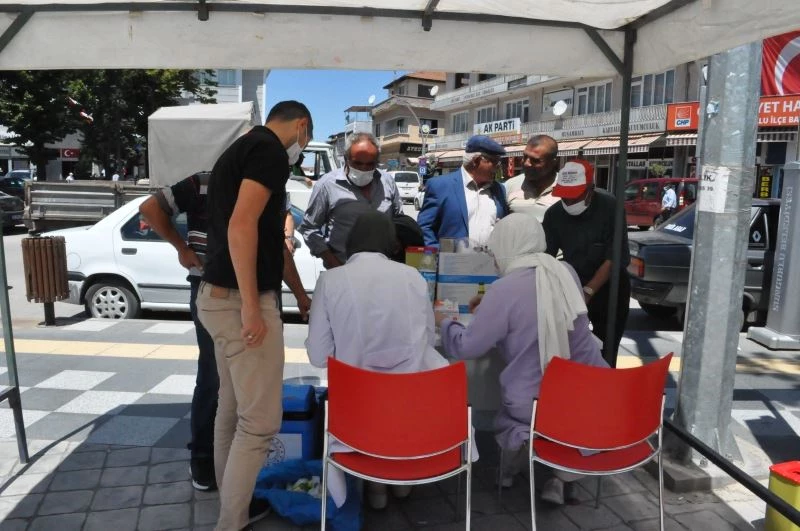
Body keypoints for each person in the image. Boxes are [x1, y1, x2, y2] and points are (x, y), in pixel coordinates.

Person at [196, 100, 313, 531]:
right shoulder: (269, 153)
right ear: (301, 125)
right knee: (261, 422)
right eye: (306, 136)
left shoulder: (241, 149)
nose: (303, 145)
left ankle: (233, 509)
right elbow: (242, 226)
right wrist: (250, 306)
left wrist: (300, 294)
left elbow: (269, 242)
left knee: (232, 409)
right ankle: (230, 522)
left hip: (215, 297)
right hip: (237, 302)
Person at [435, 213, 607, 503]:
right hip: (590, 394)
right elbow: (537, 300)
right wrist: (492, 299)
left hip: (539, 405)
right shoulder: (565, 271)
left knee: (512, 412)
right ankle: (559, 476)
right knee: (542, 406)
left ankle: (510, 471)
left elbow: (466, 347)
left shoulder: (505, 290)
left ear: (506, 245)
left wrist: (444, 321)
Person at [306, 210, 449, 510]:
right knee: (399, 396)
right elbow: (427, 341)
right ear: (390, 243)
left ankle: (377, 486)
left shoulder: (330, 281)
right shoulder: (413, 278)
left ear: (351, 241)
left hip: (356, 420)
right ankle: (401, 481)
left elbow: (318, 356)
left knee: (366, 399)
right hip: (411, 415)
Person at [542, 159, 630, 366]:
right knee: (570, 347)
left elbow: (614, 256)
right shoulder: (554, 214)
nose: (569, 202)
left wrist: (588, 291)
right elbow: (546, 257)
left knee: (606, 351)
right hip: (572, 284)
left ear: (590, 189)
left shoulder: (611, 208)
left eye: (575, 197)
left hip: (610, 288)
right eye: (565, 197)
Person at [299, 132, 402, 269]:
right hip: (342, 271)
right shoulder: (327, 185)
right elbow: (309, 228)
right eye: (358, 163)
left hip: (383, 273)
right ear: (346, 158)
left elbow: (399, 221)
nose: (364, 169)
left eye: (370, 164)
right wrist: (333, 263)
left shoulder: (387, 182)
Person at [417, 135, 509, 248]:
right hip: (453, 263)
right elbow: (425, 228)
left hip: (490, 263)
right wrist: (438, 255)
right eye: (495, 163)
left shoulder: (499, 189)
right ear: (477, 161)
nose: (498, 168)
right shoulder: (440, 186)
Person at [504, 135, 561, 221]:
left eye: (535, 160)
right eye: (525, 157)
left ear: (553, 163)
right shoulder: (509, 186)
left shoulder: (566, 187)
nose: (527, 163)